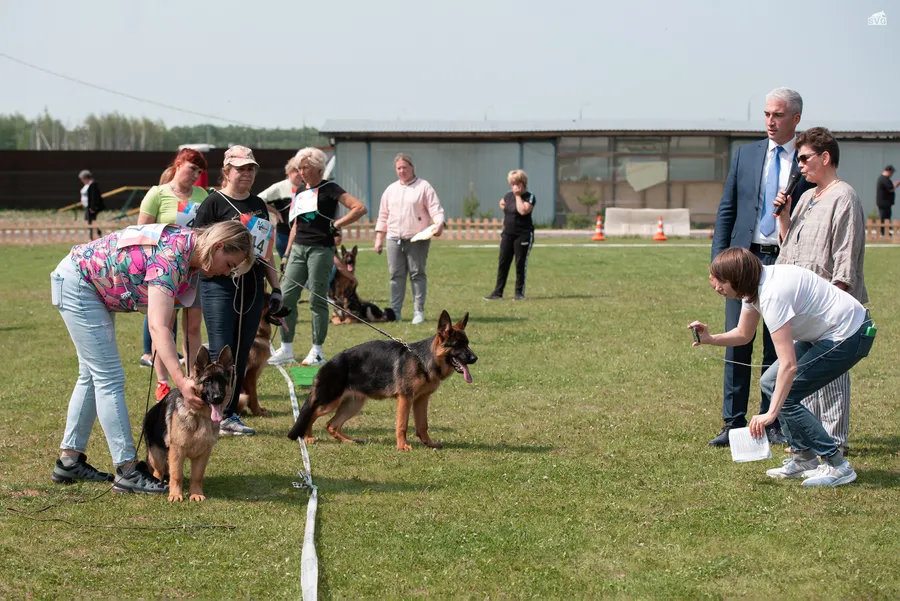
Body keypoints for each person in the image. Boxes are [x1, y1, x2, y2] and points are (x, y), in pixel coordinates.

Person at [49, 220, 253, 493]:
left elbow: (191, 330)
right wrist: (180, 381)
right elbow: (158, 327)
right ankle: (128, 470)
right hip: (79, 282)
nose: (226, 272)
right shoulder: (172, 256)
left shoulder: (194, 262)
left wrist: (195, 376)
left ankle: (69, 461)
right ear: (218, 247)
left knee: (91, 375)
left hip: (92, 287)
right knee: (108, 376)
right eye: (228, 264)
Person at [691, 248, 872, 487]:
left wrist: (771, 413)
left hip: (850, 334)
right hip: (825, 333)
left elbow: (789, 365)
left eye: (721, 281)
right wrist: (710, 339)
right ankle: (803, 459)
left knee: (787, 396)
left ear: (738, 278)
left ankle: (837, 465)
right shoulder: (754, 288)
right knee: (769, 382)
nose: (716, 286)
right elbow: (743, 334)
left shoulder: (771, 295)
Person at [708, 87, 815, 448]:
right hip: (741, 261)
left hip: (782, 261)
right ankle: (733, 421)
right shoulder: (746, 155)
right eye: (767, 114)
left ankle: (772, 421)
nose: (771, 121)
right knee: (737, 342)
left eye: (779, 115)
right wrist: (717, 264)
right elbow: (727, 210)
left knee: (777, 346)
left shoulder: (805, 161)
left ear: (795, 119)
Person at [774, 127, 867, 455]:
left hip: (830, 305)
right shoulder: (804, 198)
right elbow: (790, 249)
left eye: (804, 158)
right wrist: (784, 217)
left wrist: (835, 300)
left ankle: (834, 443)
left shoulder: (844, 196)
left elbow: (846, 252)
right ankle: (811, 440)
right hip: (804, 304)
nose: (799, 165)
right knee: (805, 375)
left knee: (830, 376)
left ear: (825, 157)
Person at [193, 146, 283, 436]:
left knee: (242, 352)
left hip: (254, 285)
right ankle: (213, 411)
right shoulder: (213, 203)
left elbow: (266, 251)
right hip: (218, 284)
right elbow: (199, 247)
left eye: (251, 169)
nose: (246, 174)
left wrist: (277, 288)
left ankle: (230, 413)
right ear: (227, 171)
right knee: (221, 350)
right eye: (240, 169)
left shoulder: (258, 204)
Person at [269, 147, 367, 366]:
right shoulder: (300, 190)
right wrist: (286, 254)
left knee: (316, 298)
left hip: (321, 249)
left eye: (305, 167)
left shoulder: (330, 188)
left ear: (318, 168)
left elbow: (359, 208)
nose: (301, 172)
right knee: (286, 297)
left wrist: (337, 224)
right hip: (298, 249)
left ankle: (317, 350)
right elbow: (295, 223)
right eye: (299, 168)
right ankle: (286, 348)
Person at [137, 149, 210, 401]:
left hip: (194, 269)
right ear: (179, 165)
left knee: (193, 326)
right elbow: (142, 233)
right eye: (192, 168)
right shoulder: (157, 194)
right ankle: (163, 382)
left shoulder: (203, 196)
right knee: (164, 326)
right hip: (163, 270)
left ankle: (192, 379)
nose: (195, 175)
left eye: (199, 172)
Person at [373, 154, 445, 324]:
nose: (402, 171)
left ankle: (418, 311)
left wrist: (439, 223)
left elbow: (435, 209)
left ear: (412, 167)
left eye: (405, 167)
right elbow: (383, 215)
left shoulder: (424, 187)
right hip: (393, 239)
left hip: (417, 239)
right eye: (398, 168)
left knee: (417, 274)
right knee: (395, 275)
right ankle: (395, 312)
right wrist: (378, 238)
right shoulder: (390, 190)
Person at [484, 169, 536, 301]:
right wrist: (507, 208)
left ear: (523, 183)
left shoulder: (529, 196)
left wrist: (518, 196)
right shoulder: (508, 196)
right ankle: (497, 292)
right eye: (512, 184)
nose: (514, 187)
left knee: (520, 263)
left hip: (523, 235)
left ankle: (519, 293)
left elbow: (523, 211)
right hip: (508, 234)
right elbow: (502, 203)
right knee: (503, 262)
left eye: (517, 183)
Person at [258, 157, 304, 261]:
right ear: (288, 172)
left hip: (302, 234)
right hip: (284, 234)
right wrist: (275, 212)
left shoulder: (306, 187)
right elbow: (259, 199)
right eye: (295, 170)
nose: (299, 173)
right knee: (288, 268)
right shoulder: (279, 187)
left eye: (300, 170)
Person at [78, 170, 104, 241]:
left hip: (91, 208)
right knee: (88, 221)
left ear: (86, 177)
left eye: (82, 179)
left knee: (91, 221)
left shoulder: (93, 185)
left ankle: (94, 236)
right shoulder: (87, 185)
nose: (82, 180)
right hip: (87, 207)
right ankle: (93, 235)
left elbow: (93, 197)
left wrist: (92, 208)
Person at [876, 165, 898, 237]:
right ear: (888, 171)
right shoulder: (884, 179)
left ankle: (886, 232)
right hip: (884, 202)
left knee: (886, 217)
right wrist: (896, 185)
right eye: (891, 172)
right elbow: (890, 189)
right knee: (884, 218)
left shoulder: (883, 179)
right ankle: (884, 232)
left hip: (885, 202)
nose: (892, 174)